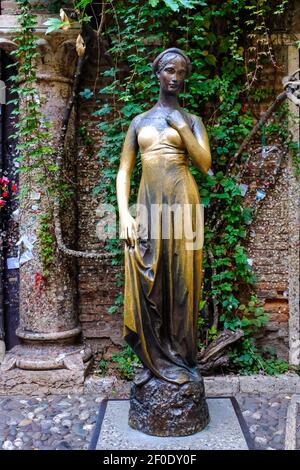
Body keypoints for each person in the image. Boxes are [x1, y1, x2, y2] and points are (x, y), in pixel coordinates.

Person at [116, 48, 211, 387]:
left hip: (183, 202)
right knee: (148, 280)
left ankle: (183, 360)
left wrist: (183, 129)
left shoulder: (193, 120)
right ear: (158, 73)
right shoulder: (139, 121)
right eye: (171, 70)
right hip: (147, 205)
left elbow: (203, 163)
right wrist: (124, 213)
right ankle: (153, 358)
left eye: (182, 73)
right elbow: (125, 171)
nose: (176, 78)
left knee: (183, 282)